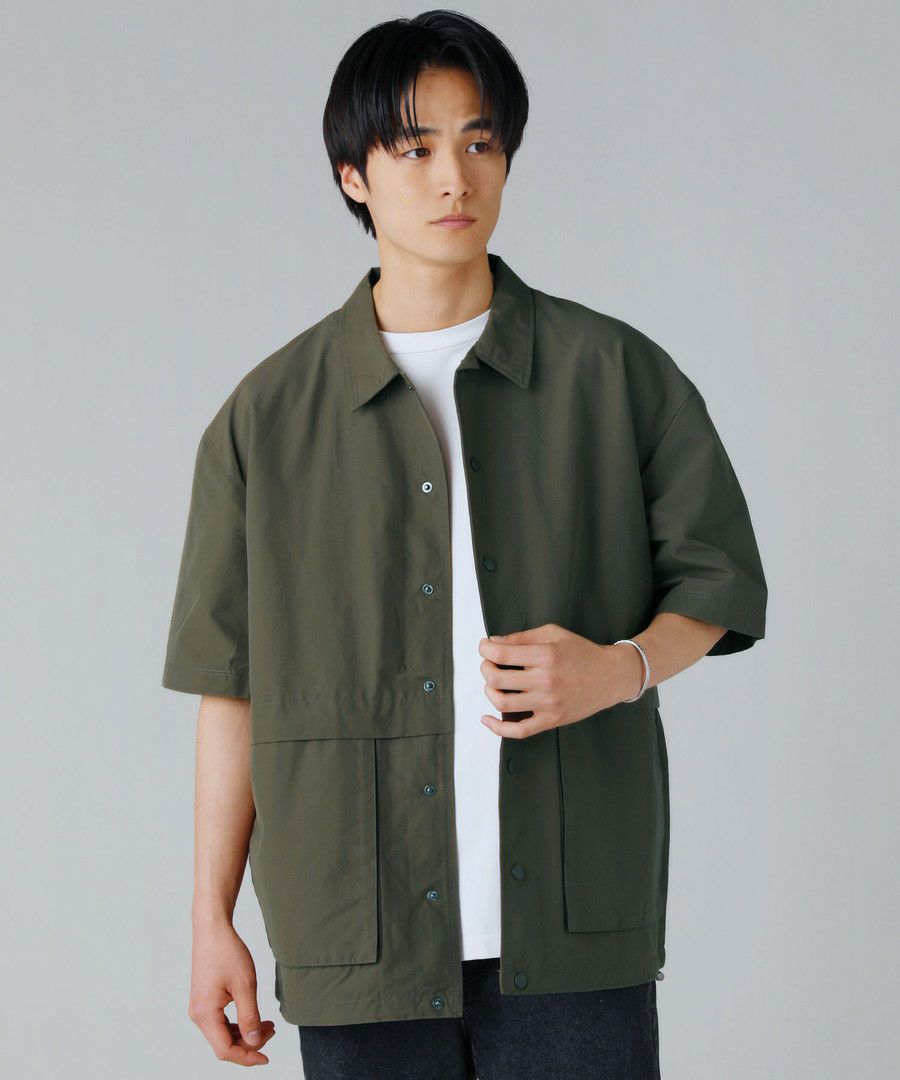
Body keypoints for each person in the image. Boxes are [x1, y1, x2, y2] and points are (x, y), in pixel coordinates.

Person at [161, 10, 767, 1076]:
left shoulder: (614, 374)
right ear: (353, 175)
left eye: (480, 142)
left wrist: (619, 668)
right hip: (359, 930)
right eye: (416, 148)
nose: (455, 177)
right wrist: (212, 917)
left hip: (573, 927)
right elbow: (233, 687)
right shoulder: (267, 418)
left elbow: (716, 581)